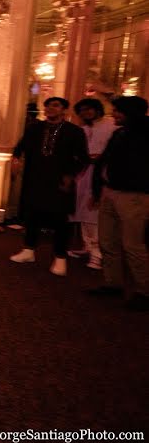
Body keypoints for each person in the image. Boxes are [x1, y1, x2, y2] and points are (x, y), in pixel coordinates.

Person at [10, 97, 89, 276]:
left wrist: (70, 175)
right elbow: (19, 148)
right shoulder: (34, 128)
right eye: (47, 106)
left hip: (61, 182)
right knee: (32, 216)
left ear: (64, 110)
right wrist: (15, 160)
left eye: (55, 106)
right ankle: (28, 251)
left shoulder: (74, 131)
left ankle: (60, 258)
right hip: (35, 179)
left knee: (60, 220)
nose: (49, 109)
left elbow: (83, 158)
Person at [88, 96, 149, 311]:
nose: (113, 114)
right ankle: (113, 283)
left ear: (131, 112)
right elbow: (105, 161)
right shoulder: (119, 132)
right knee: (107, 240)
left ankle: (144, 291)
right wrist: (98, 190)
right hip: (110, 191)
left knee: (133, 244)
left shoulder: (145, 133)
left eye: (118, 111)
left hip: (134, 195)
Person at [68, 98, 116, 269]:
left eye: (89, 109)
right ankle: (87, 247)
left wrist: (101, 158)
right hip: (83, 174)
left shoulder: (112, 126)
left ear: (97, 109)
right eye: (82, 110)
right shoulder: (82, 129)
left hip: (102, 175)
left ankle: (98, 255)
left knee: (93, 214)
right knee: (81, 211)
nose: (86, 113)